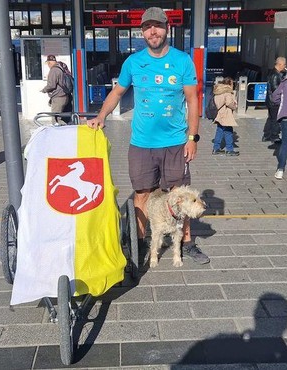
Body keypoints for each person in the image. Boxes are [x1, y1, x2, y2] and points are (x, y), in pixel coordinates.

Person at [87, 7, 209, 264]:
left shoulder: (182, 61)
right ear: (142, 32)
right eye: (147, 27)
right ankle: (139, 243)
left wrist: (192, 138)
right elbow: (117, 92)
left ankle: (187, 243)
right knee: (142, 194)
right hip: (141, 144)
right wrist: (101, 116)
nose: (152, 31)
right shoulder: (133, 62)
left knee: (179, 193)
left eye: (157, 26)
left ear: (167, 28)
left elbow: (192, 100)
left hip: (176, 142)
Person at [211, 77, 239, 156]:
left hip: (219, 114)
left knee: (219, 130)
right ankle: (230, 149)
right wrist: (235, 106)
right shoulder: (227, 92)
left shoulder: (218, 91)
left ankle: (216, 148)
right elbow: (229, 103)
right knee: (228, 131)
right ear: (230, 84)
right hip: (225, 114)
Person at [41, 55, 72, 125]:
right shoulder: (62, 66)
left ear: (49, 62)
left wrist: (44, 90)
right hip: (65, 96)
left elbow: (51, 85)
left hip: (58, 98)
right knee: (60, 117)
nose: (48, 65)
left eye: (48, 63)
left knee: (55, 120)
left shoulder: (54, 70)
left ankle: (60, 132)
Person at [262, 57, 287, 143]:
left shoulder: (274, 73)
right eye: (284, 64)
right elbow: (275, 88)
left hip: (270, 100)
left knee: (271, 117)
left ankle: (267, 135)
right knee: (275, 118)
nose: (285, 66)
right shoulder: (275, 75)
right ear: (280, 64)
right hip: (274, 101)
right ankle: (274, 136)